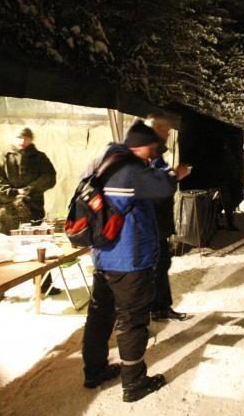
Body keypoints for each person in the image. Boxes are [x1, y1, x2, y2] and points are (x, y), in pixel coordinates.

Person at [81, 120, 191, 402]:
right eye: (153, 148)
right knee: (132, 320)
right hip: (128, 258)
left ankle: (94, 371)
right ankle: (134, 383)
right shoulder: (130, 169)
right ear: (141, 146)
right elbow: (163, 187)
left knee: (100, 314)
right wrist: (176, 174)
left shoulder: (106, 159)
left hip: (104, 254)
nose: (154, 154)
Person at [0, 127, 58, 308]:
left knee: (38, 246)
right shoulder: (4, 157)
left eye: (26, 138)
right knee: (1, 250)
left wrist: (30, 189)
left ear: (31, 139)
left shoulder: (39, 158)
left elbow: (49, 177)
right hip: (6, 210)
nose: (22, 141)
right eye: (19, 137)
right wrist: (12, 193)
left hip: (32, 209)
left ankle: (43, 284)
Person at [145, 114, 192, 322]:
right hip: (150, 223)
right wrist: (175, 175)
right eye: (165, 129)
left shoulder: (157, 154)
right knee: (155, 267)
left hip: (159, 222)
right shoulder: (145, 153)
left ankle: (161, 306)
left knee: (162, 265)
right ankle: (150, 310)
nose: (169, 133)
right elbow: (153, 186)